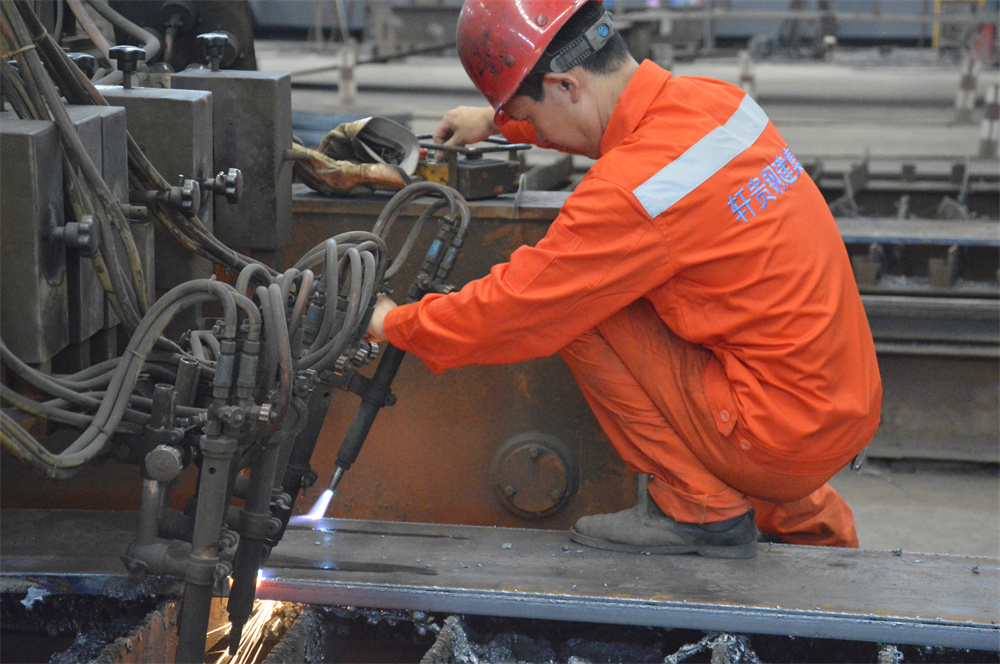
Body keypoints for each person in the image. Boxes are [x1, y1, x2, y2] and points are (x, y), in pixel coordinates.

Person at [367, 0, 881, 558]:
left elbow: (516, 308)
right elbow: (600, 119)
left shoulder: (630, 192)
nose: (536, 129)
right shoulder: (716, 102)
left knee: (578, 309)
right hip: (839, 404)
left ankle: (699, 509)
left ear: (565, 85)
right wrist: (499, 120)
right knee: (704, 315)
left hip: (782, 438)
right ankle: (811, 520)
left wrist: (394, 322)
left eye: (532, 116)